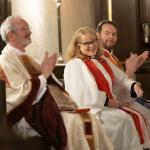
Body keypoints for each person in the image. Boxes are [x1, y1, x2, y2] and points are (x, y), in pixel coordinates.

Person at [0, 15, 114, 150]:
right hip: (26, 116)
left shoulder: (26, 57)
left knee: (88, 118)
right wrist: (43, 76)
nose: (29, 32)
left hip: (43, 110)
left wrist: (47, 78)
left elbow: (48, 84)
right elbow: (17, 96)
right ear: (11, 35)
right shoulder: (5, 61)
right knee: (76, 122)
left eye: (28, 28)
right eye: (24, 29)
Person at [64, 27, 150, 150]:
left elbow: (120, 80)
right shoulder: (75, 65)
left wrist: (133, 85)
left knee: (138, 117)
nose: (92, 45)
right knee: (124, 121)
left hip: (107, 105)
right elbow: (80, 94)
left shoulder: (101, 60)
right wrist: (107, 101)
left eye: (93, 41)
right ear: (78, 46)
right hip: (92, 109)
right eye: (86, 43)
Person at [96, 20, 150, 108]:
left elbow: (124, 81)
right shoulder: (98, 59)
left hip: (130, 100)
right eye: (107, 33)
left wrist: (135, 67)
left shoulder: (113, 57)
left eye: (114, 34)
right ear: (98, 35)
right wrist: (129, 71)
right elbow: (113, 90)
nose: (111, 37)